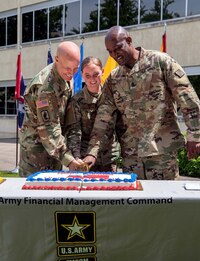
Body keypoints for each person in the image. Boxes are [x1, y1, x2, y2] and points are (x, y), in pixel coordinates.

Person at [83, 26, 200, 180]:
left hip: (162, 154)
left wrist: (195, 135)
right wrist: (92, 151)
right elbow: (103, 119)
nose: (114, 55)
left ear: (129, 40)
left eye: (117, 48)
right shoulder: (113, 79)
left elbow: (188, 99)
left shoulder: (160, 62)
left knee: (165, 201)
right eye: (109, 51)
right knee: (136, 202)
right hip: (131, 157)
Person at [19, 41, 84, 177]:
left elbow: (67, 119)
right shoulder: (46, 88)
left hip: (54, 151)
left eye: (75, 68)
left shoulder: (65, 75)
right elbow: (48, 129)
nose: (71, 73)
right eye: (68, 68)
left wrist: (74, 153)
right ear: (56, 59)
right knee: (35, 197)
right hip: (36, 157)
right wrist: (69, 161)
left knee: (53, 196)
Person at [66, 56, 120, 172]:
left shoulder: (111, 97)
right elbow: (74, 132)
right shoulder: (76, 101)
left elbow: (115, 127)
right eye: (87, 76)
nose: (92, 80)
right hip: (86, 160)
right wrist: (76, 157)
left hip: (108, 158)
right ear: (81, 75)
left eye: (96, 74)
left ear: (103, 72)